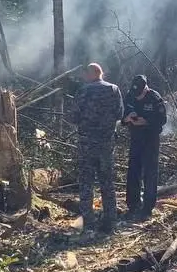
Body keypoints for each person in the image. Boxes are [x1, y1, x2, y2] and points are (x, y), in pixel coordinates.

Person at [67, 63, 123, 231]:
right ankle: (110, 221)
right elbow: (120, 114)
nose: (83, 77)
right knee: (107, 182)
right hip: (106, 144)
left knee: (86, 182)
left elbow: (74, 117)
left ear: (90, 74)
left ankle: (88, 222)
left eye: (85, 73)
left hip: (87, 144)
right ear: (101, 73)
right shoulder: (114, 90)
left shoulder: (83, 91)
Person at [121, 74, 166, 221]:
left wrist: (145, 121)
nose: (137, 96)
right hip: (136, 138)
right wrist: (127, 119)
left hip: (150, 140)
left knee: (150, 173)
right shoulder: (130, 96)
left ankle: (147, 208)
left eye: (140, 93)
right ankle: (133, 205)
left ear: (145, 89)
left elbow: (162, 119)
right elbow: (122, 115)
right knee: (133, 171)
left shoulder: (155, 98)